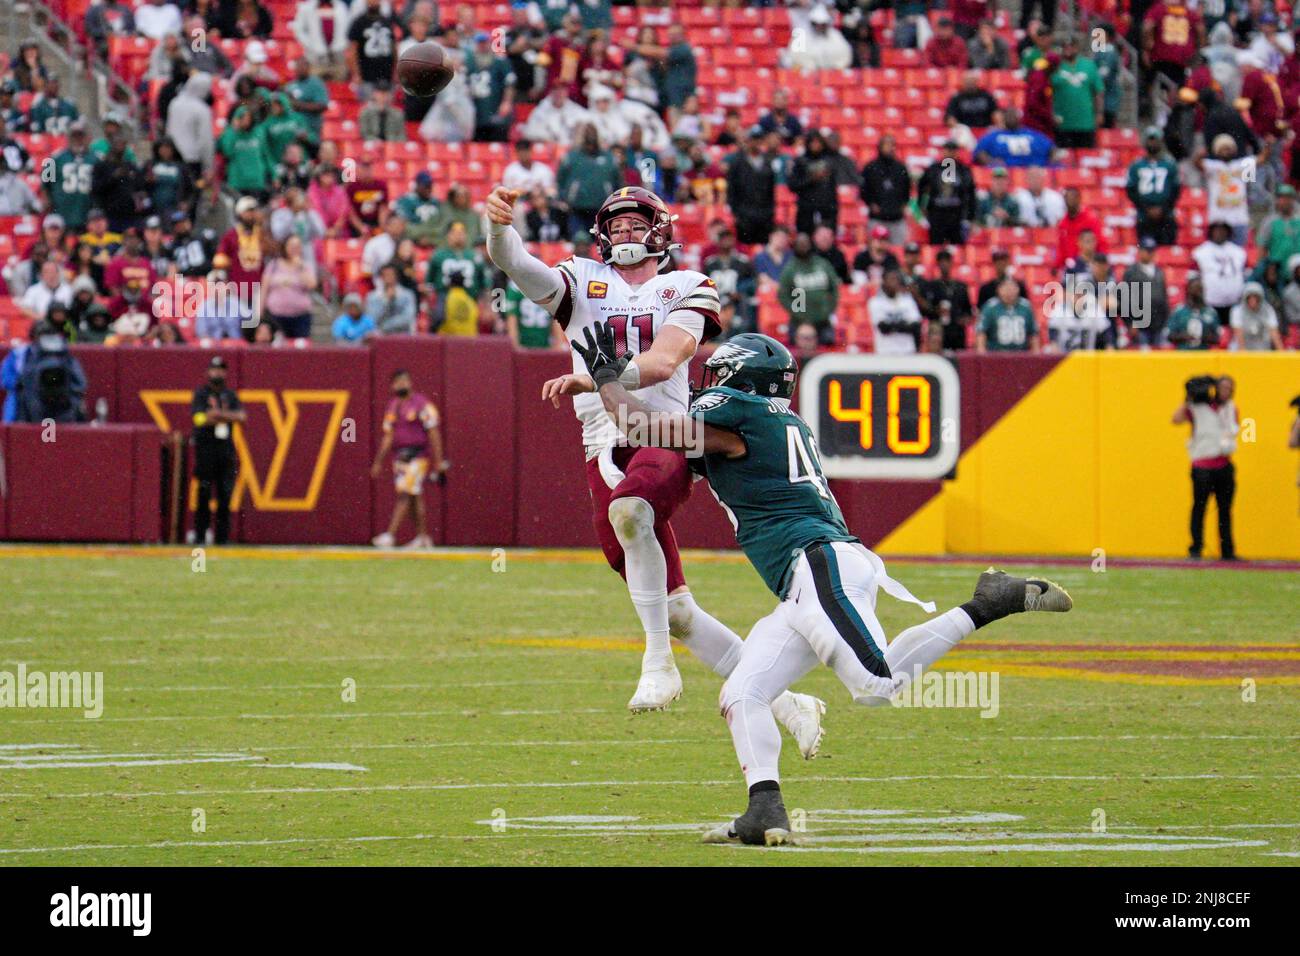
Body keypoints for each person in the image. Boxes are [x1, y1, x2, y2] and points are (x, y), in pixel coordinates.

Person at [571, 329, 1072, 845]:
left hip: (818, 563)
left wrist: (609, 377)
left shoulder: (737, 414)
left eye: (720, 373)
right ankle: (764, 811)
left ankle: (990, 601)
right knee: (744, 692)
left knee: (877, 686)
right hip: (803, 582)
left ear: (741, 380)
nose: (710, 382)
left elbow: (643, 424)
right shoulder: (771, 421)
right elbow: (663, 443)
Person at [482, 181, 825, 749]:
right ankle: (790, 705)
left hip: (662, 432)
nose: (624, 234)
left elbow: (666, 362)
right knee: (678, 608)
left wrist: (592, 378)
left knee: (634, 509)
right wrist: (497, 227)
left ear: (660, 230)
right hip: (601, 445)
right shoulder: (579, 281)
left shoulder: (687, 285)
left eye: (635, 224)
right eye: (615, 226)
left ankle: (659, 662)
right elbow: (514, 261)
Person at [370, 369, 447, 549]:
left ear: (410, 382)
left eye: (404, 381)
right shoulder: (394, 406)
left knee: (405, 493)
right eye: (398, 382)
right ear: (392, 385)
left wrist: (439, 460)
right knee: (413, 496)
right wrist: (378, 461)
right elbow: (388, 436)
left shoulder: (421, 404)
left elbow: (433, 431)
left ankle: (390, 534)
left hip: (418, 456)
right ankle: (422, 537)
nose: (401, 385)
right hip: (400, 457)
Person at [1172, 375, 1238, 560]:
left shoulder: (1231, 409)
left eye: (1230, 388)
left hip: (1224, 464)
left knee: (1225, 510)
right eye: (1223, 388)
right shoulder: (1197, 408)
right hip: (1202, 466)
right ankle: (1196, 548)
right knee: (1199, 508)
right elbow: (1175, 419)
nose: (1227, 392)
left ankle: (1227, 551)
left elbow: (1234, 432)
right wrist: (1188, 397)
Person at [190, 356, 245, 546]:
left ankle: (222, 537)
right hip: (206, 448)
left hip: (225, 449)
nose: (217, 373)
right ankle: (200, 535)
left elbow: (242, 416)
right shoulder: (201, 394)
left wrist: (217, 415)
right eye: (214, 369)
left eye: (221, 369)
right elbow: (198, 419)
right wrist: (223, 417)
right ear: (207, 372)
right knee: (203, 492)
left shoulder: (230, 395)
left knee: (225, 494)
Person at [779, 232, 841, 346]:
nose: (803, 246)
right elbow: (782, 295)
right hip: (798, 321)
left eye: (805, 243)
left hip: (823, 319)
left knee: (830, 345)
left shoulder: (822, 264)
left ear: (811, 244)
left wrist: (829, 309)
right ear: (795, 246)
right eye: (800, 243)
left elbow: (834, 289)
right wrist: (797, 313)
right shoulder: (790, 268)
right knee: (793, 350)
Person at [868, 269, 924, 354]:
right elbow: (883, 328)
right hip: (885, 352)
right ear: (884, 281)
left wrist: (893, 326)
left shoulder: (907, 300)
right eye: (891, 279)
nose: (895, 282)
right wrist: (905, 325)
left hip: (907, 351)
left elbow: (916, 326)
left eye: (897, 279)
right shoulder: (875, 302)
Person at [977, 275, 1039, 351]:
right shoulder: (990, 307)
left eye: (1012, 288)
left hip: (1021, 354)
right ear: (999, 290)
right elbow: (981, 332)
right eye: (1006, 288)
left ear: (1018, 289)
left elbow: (1033, 333)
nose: (1009, 291)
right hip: (996, 354)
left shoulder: (1026, 307)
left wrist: (1036, 353)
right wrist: (982, 353)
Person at [1166, 273, 1222, 349]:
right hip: (1183, 356)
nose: (1198, 292)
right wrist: (1183, 336)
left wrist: (1203, 337)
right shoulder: (1179, 311)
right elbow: (1169, 335)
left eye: (1200, 289)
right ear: (1188, 290)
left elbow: (1217, 338)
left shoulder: (1211, 312)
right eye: (1195, 289)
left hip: (1204, 356)